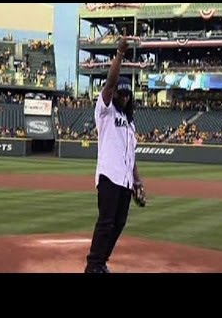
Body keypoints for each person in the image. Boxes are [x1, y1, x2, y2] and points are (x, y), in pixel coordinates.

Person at [85, 35, 146, 273]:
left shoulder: (129, 124)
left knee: (118, 223)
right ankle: (93, 266)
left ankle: (102, 262)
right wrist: (120, 55)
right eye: (121, 93)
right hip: (109, 176)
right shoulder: (106, 112)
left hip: (125, 180)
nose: (124, 97)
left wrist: (138, 182)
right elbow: (109, 85)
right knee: (106, 222)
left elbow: (132, 157)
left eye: (127, 94)